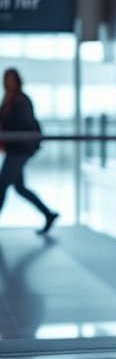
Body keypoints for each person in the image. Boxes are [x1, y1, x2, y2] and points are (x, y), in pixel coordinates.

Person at [0, 68, 58, 234]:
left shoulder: (21, 100)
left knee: (2, 184)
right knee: (20, 188)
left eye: (12, 79)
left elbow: (21, 123)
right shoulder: (8, 101)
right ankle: (48, 214)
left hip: (20, 149)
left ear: (17, 81)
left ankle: (48, 214)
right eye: (7, 79)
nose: (9, 82)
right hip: (14, 148)